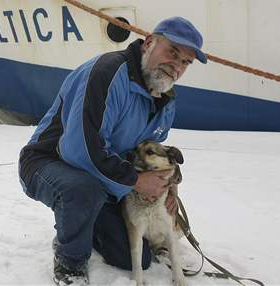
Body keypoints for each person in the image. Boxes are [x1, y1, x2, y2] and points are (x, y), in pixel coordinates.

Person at [18, 16, 207, 285]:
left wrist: (169, 185)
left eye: (184, 62)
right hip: (50, 163)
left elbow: (150, 152)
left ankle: (81, 224)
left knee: (135, 259)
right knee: (82, 191)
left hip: (105, 178)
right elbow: (81, 149)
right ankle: (69, 265)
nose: (176, 65)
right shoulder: (107, 72)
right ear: (149, 43)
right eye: (172, 52)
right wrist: (137, 181)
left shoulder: (164, 100)